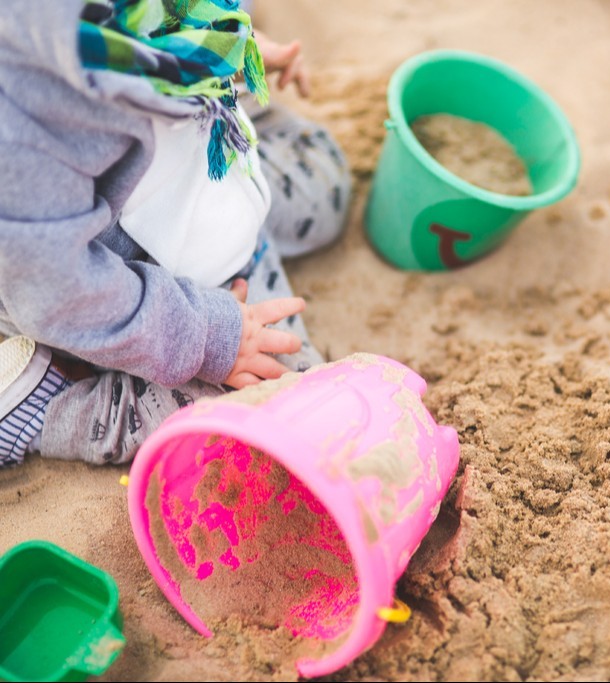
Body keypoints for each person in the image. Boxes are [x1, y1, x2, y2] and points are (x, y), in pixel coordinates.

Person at [0, 0, 352, 467]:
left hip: (198, 177)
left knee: (326, 186)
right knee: (287, 403)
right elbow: (61, 293)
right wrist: (210, 336)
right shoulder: (23, 123)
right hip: (127, 286)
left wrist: (230, 52)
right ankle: (45, 406)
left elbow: (181, 16)